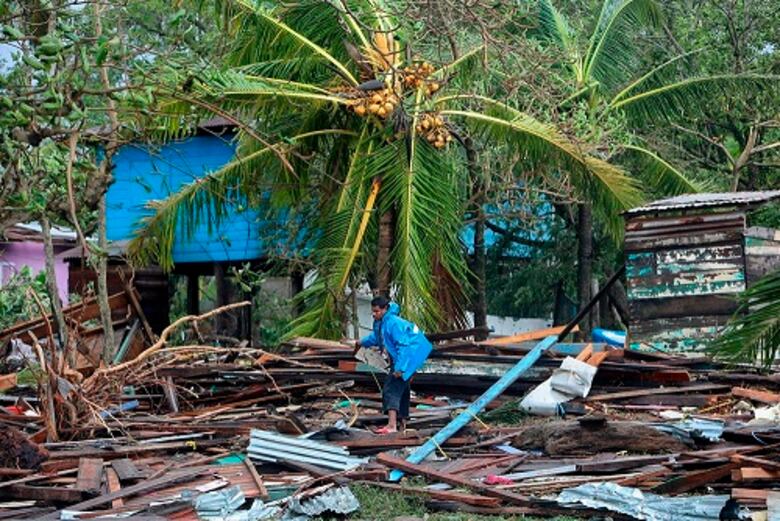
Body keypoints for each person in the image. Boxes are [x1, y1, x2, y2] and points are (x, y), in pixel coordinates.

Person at [352, 296, 432, 434]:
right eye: (373, 311)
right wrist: (362, 342)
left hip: (410, 355)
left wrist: (400, 368)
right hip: (407, 356)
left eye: (377, 311)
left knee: (391, 389)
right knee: (403, 389)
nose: (374, 314)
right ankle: (402, 422)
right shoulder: (382, 322)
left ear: (385, 309)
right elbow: (377, 338)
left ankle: (391, 425)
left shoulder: (393, 323)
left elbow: (404, 346)